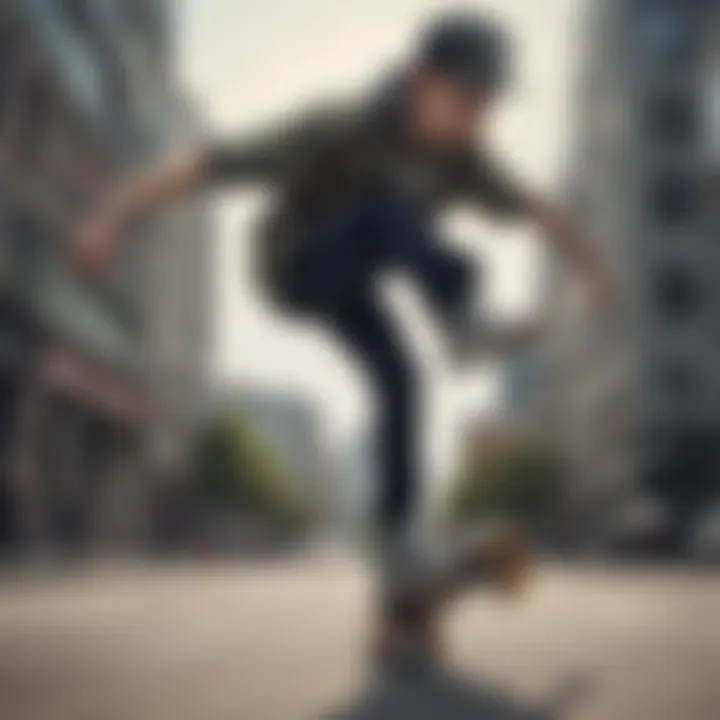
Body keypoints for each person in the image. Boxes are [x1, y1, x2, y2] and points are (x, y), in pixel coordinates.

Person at [73, 12, 615, 663]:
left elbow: (538, 209)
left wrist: (592, 267)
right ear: (422, 81)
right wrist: (112, 214)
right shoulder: (337, 127)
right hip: (296, 268)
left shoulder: (465, 160)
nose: (479, 118)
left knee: (403, 381)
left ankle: (401, 587)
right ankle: (464, 322)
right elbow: (209, 165)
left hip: (354, 287)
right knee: (386, 208)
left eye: (490, 103)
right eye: (468, 97)